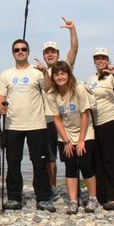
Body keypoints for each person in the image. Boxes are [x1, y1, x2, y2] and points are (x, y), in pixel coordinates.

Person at [0, 39, 55, 212]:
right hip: (13, 125)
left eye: (23, 49)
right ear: (12, 53)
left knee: (39, 163)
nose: (20, 52)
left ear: (28, 52)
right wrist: (0, 105)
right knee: (13, 162)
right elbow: (0, 97)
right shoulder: (6, 74)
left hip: (37, 124)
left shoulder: (37, 72)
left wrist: (45, 72)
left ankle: (43, 198)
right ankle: (14, 197)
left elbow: (50, 88)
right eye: (16, 50)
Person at [36, 17, 79, 200]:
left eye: (53, 52)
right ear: (44, 55)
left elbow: (74, 49)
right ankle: (52, 187)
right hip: (47, 120)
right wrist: (44, 72)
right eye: (47, 52)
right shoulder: (39, 72)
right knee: (50, 158)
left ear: (57, 53)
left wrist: (72, 30)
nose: (50, 54)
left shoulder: (64, 68)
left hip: (67, 120)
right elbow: (47, 88)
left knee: (71, 158)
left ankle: (75, 191)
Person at [48, 61, 98, 214]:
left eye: (63, 73)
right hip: (67, 133)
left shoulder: (79, 89)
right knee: (70, 165)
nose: (60, 77)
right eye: (56, 74)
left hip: (85, 130)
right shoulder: (52, 94)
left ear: (69, 75)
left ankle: (92, 198)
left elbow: (85, 115)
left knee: (84, 162)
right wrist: (67, 142)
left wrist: (81, 140)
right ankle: (73, 200)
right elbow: (56, 119)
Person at [87, 47, 114, 210]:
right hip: (95, 124)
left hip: (111, 120)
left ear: (107, 59)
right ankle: (102, 195)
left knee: (112, 159)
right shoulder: (91, 78)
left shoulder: (111, 76)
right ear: (94, 60)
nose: (100, 60)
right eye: (97, 58)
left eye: (103, 57)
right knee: (98, 160)